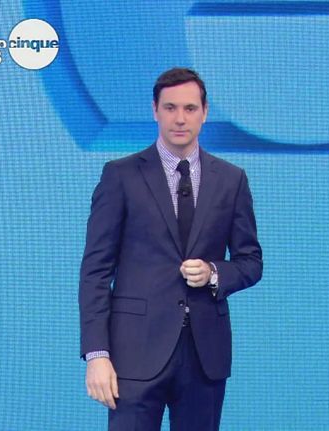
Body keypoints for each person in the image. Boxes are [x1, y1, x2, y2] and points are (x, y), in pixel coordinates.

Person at [78, 67, 263, 431]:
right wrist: (97, 353)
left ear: (205, 112)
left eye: (190, 108)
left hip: (204, 356)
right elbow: (96, 271)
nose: (180, 118)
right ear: (155, 110)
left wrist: (214, 273)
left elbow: (251, 261)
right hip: (133, 354)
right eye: (170, 107)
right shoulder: (121, 176)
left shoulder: (231, 180)